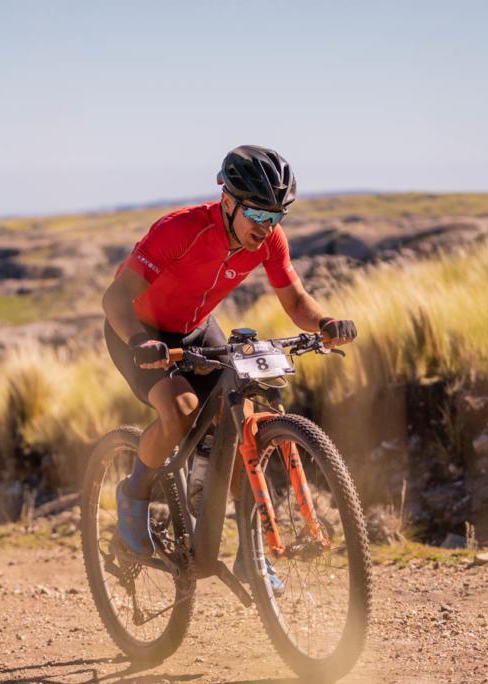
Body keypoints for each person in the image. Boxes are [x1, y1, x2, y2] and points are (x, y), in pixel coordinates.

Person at [101, 145, 357, 589]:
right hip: (139, 331)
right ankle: (134, 492)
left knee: (244, 419)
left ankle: (250, 554)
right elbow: (115, 298)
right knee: (180, 409)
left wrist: (325, 323)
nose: (265, 226)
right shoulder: (180, 229)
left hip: (198, 328)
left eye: (275, 216)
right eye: (256, 213)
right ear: (227, 201)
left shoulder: (270, 240)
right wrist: (141, 341)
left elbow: (295, 300)